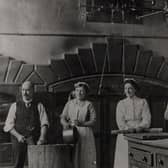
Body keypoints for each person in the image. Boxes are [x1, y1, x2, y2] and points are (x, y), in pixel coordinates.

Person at [4, 81, 49, 168]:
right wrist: (18, 136)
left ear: (32, 91)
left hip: (34, 139)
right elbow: (8, 125)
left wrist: (42, 137)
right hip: (18, 138)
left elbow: (44, 123)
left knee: (36, 163)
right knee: (18, 163)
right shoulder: (15, 106)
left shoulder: (39, 105)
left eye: (27, 90)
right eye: (23, 90)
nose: (24, 93)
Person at [114, 78, 151, 168]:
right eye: (126, 88)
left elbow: (147, 119)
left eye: (130, 88)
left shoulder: (142, 102)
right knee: (124, 161)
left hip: (140, 133)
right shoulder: (121, 104)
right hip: (125, 134)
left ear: (135, 89)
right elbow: (120, 122)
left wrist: (140, 127)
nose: (128, 90)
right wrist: (128, 129)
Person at [60, 81, 96, 168]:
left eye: (82, 91)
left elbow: (93, 121)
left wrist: (82, 123)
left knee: (85, 156)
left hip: (85, 133)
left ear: (85, 93)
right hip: (71, 132)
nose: (79, 93)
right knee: (73, 155)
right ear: (74, 92)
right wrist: (65, 124)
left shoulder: (89, 104)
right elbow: (63, 117)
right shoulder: (69, 103)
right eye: (77, 90)